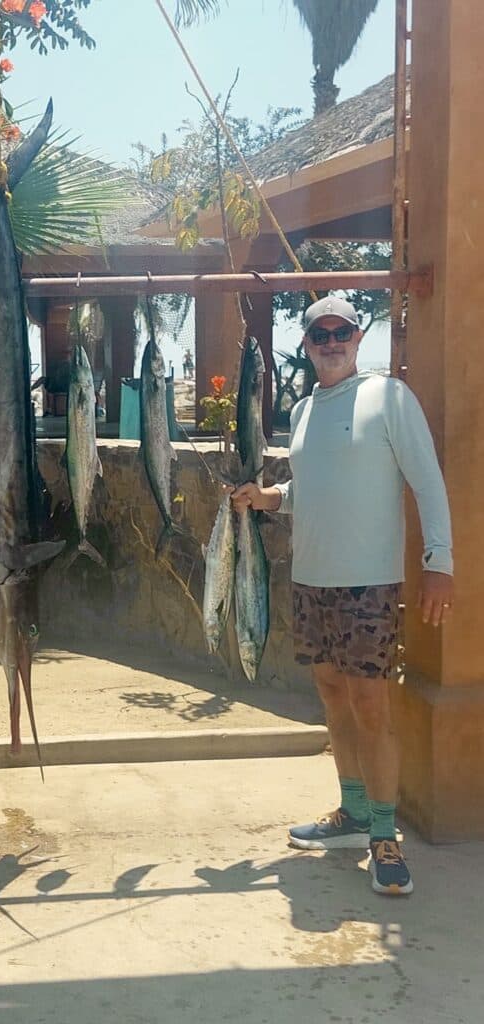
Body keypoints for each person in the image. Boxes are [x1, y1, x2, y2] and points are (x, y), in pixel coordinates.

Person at [232, 295, 453, 897]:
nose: (331, 342)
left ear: (359, 338)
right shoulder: (304, 409)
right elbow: (310, 490)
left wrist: (440, 563)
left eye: (342, 332)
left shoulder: (389, 397)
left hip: (368, 585)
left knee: (372, 707)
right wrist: (268, 499)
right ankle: (353, 814)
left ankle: (385, 834)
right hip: (312, 581)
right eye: (319, 334)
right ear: (306, 345)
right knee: (332, 695)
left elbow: (427, 481)